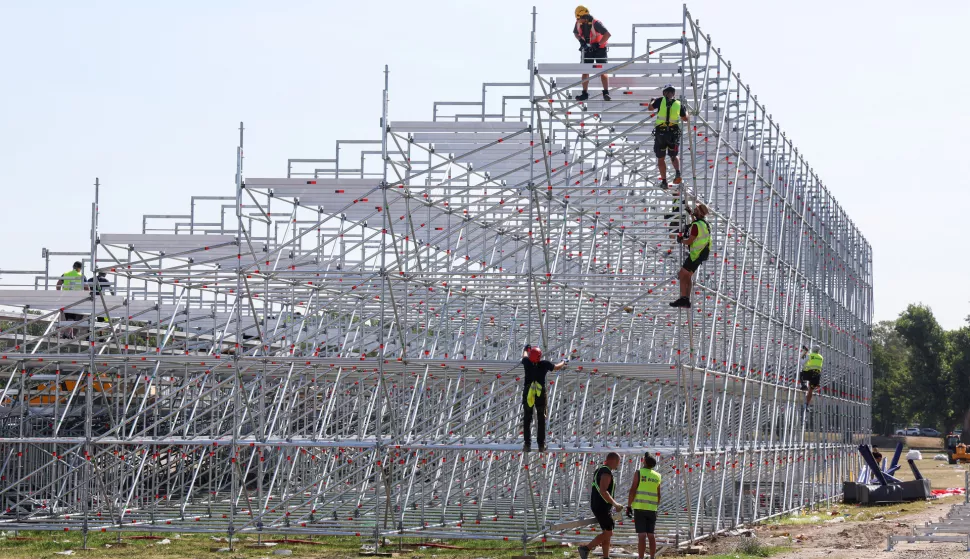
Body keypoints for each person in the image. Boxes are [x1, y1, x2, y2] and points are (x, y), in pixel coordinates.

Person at [521, 345, 568, 452]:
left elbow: (524, 356)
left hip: (528, 393)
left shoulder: (527, 363)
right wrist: (564, 361)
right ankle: (541, 445)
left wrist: (525, 349)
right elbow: (556, 367)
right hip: (540, 393)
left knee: (527, 419)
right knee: (541, 419)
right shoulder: (544, 364)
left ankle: (527, 445)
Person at [578, 452, 624, 559]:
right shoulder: (606, 472)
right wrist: (615, 504)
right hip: (602, 507)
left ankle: (606, 556)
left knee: (606, 533)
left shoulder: (599, 470)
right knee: (608, 533)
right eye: (618, 462)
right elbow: (604, 491)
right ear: (612, 461)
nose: (618, 464)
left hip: (599, 505)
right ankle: (586, 548)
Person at [669, 204, 711, 309]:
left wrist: (681, 240)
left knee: (682, 274)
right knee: (688, 276)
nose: (694, 210)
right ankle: (686, 299)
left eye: (696, 209)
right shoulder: (704, 224)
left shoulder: (696, 225)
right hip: (702, 253)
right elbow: (696, 223)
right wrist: (691, 214)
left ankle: (684, 298)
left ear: (700, 212)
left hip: (695, 254)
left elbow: (690, 240)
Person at [648, 84, 689, 189]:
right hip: (673, 134)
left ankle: (664, 182)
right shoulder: (678, 104)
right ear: (673, 93)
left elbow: (650, 108)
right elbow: (685, 119)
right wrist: (686, 110)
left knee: (661, 159)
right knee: (673, 155)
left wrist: (651, 101)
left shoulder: (660, 100)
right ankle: (678, 173)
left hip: (661, 133)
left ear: (664, 93)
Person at [626, 453, 662, 559]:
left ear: (644, 462)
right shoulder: (657, 476)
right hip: (652, 508)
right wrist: (656, 507)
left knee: (641, 535)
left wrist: (629, 505)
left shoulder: (639, 473)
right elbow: (659, 494)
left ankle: (641, 558)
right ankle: (652, 557)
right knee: (651, 534)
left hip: (640, 507)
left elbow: (633, 490)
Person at [573, 5, 612, 102]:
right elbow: (576, 33)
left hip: (600, 49)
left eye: (578, 18)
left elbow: (607, 34)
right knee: (585, 70)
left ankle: (606, 92)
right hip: (588, 48)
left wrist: (598, 44)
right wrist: (581, 42)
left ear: (584, 17)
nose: (577, 20)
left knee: (602, 71)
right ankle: (584, 93)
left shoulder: (596, 23)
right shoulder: (578, 23)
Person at [799, 345, 823, 411]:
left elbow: (802, 362)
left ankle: (803, 385)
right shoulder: (821, 357)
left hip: (809, 373)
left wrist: (804, 353)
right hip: (817, 375)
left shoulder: (810, 355)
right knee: (811, 390)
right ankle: (806, 404)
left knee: (801, 374)